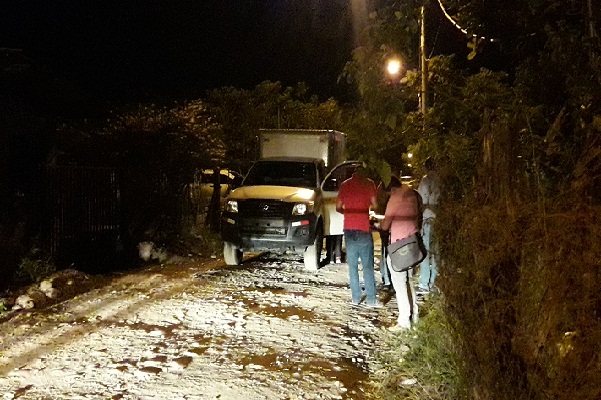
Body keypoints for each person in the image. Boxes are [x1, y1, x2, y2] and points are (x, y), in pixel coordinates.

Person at [336, 165, 381, 307]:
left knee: (353, 266)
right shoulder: (369, 184)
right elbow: (375, 205)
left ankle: (355, 298)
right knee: (367, 266)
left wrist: (349, 213)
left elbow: (338, 207)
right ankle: (371, 299)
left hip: (349, 229)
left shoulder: (344, 185)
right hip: (363, 228)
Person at [380, 179, 421, 330]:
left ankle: (404, 321)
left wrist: (380, 224)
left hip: (399, 245)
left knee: (399, 283)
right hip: (412, 242)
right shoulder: (412, 195)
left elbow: (385, 224)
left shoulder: (396, 197)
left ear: (391, 189)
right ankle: (414, 314)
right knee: (409, 280)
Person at [416, 158, 441, 295]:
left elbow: (421, 201)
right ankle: (435, 281)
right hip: (439, 219)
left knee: (425, 251)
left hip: (427, 218)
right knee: (437, 251)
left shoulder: (425, 180)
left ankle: (424, 283)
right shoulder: (441, 181)